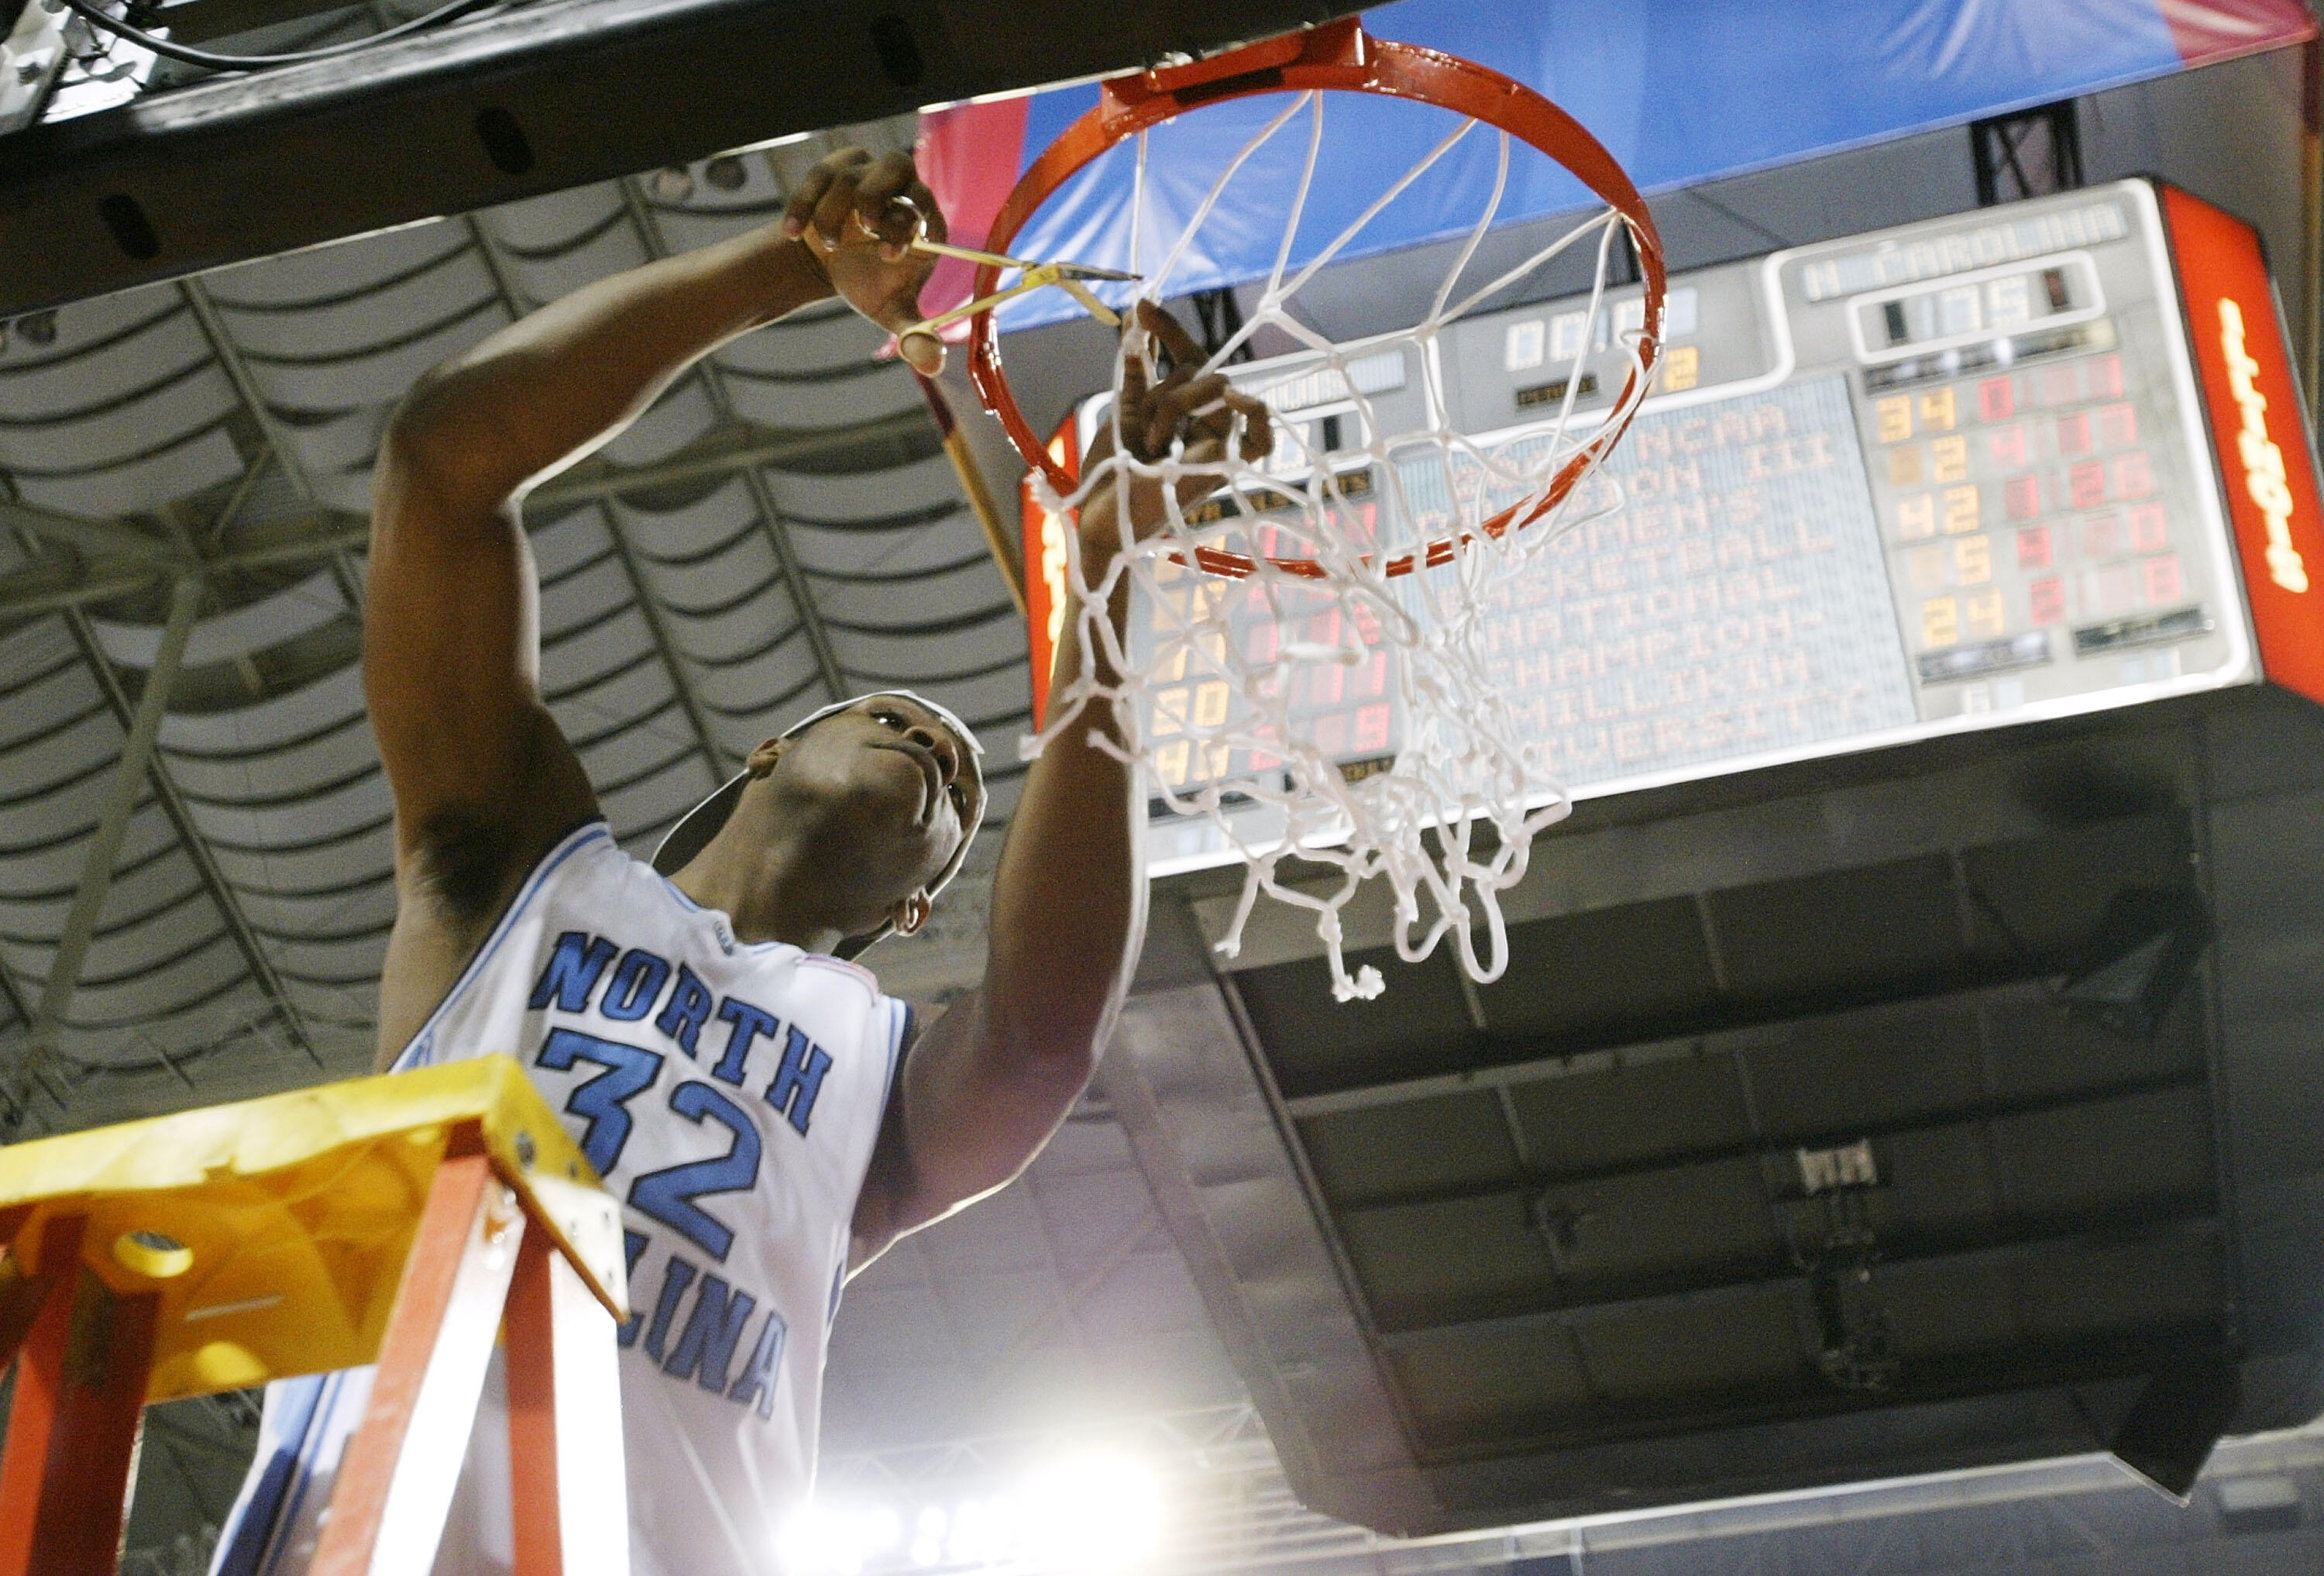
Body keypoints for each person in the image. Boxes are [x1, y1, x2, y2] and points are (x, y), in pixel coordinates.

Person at [208, 147, 1269, 1576]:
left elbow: (1036, 1047)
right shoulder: (517, 876)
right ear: (769, 752)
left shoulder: (877, 1080)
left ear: (915, 907)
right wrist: (797, 271)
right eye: (904, 721)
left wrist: (1110, 593)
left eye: (963, 790)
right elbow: (443, 468)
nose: (945, 758)